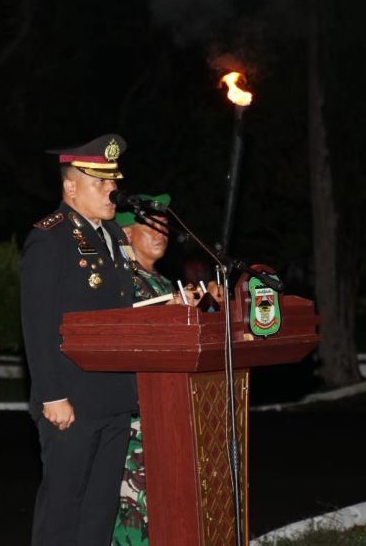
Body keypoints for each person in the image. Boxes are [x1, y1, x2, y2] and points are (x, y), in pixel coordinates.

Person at [21, 134, 139, 546]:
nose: (112, 190)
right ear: (70, 186)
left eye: (113, 182)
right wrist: (51, 395)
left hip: (113, 396)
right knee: (62, 512)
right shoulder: (49, 238)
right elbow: (37, 323)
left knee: (99, 512)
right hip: (69, 400)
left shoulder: (115, 238)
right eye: (100, 183)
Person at [111, 194, 223, 545]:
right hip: (137, 420)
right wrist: (171, 311)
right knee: (136, 516)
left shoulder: (162, 282)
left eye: (164, 227)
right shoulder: (119, 281)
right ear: (127, 234)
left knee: (167, 515)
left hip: (170, 414)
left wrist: (211, 306)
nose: (161, 233)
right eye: (151, 226)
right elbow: (126, 330)